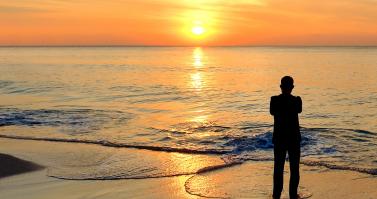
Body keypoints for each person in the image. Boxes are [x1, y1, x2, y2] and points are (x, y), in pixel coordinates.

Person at [270, 76, 302, 199]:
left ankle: (276, 194)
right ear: (292, 87)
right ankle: (293, 194)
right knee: (294, 168)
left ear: (281, 87)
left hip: (279, 138)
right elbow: (299, 110)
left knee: (278, 168)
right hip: (293, 138)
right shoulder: (297, 100)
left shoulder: (274, 100)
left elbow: (272, 112)